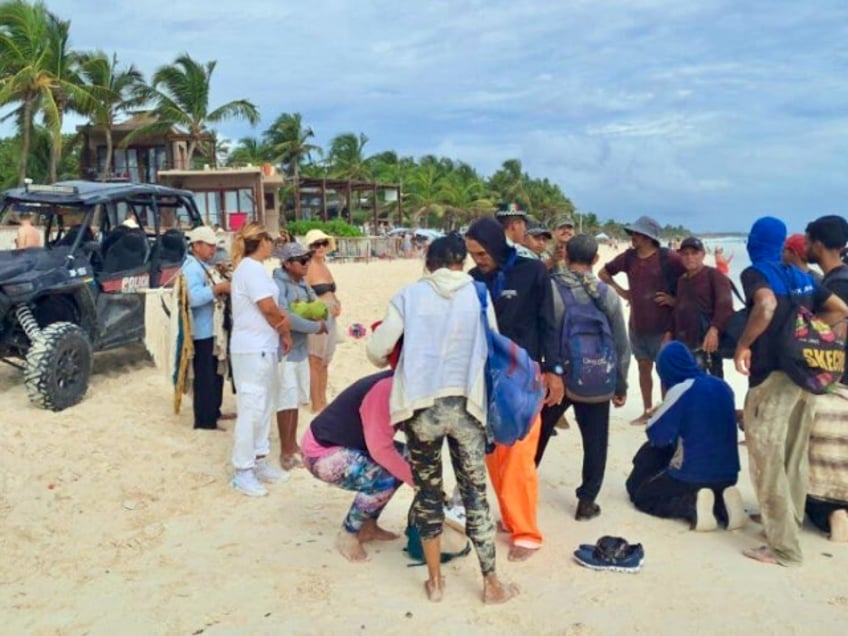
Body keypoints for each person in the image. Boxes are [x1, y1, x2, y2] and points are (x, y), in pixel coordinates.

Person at [367, 234, 518, 604]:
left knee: (428, 492)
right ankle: (491, 583)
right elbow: (494, 344)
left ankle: (435, 582)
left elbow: (377, 349)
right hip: (468, 407)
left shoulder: (408, 296)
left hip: (421, 408)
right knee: (475, 494)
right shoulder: (479, 295)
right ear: (460, 262)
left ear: (429, 261)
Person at [733, 216, 848, 565]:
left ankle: (783, 548)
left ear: (754, 241)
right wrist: (812, 334)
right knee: (794, 458)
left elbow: (765, 305)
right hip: (805, 379)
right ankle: (789, 524)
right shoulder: (802, 275)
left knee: (767, 461)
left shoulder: (758, 272)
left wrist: (743, 344)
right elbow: (840, 311)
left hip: (773, 380)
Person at [463, 216, 564, 561]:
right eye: (472, 253)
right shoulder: (473, 280)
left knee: (520, 453)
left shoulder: (532, 271)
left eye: (481, 252)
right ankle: (510, 516)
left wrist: (555, 371)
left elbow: (549, 321)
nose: (477, 259)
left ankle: (527, 534)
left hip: (526, 377)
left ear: (495, 244)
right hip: (487, 378)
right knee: (493, 454)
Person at [535, 234, 630, 521]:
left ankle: (522, 485)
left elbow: (544, 333)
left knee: (538, 434)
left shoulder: (552, 289)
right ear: (595, 260)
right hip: (596, 374)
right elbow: (620, 342)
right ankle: (586, 502)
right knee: (596, 440)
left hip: (558, 377)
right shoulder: (607, 294)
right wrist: (620, 382)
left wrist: (547, 370)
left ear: (565, 257)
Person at [626, 342, 745, 530]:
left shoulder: (681, 389)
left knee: (643, 495)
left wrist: (655, 413)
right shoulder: (722, 385)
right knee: (710, 483)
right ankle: (722, 507)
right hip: (729, 475)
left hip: (692, 475)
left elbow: (657, 436)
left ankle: (690, 506)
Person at [302, 371, 412, 561]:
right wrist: (417, 481)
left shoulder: (405, 382)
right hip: (322, 452)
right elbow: (380, 450)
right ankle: (348, 533)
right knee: (385, 475)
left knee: (408, 460)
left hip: (352, 445)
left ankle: (367, 525)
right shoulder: (386, 388)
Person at [599, 215, 685, 424]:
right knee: (643, 367)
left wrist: (675, 300)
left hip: (663, 327)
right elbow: (603, 273)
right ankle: (647, 411)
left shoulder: (669, 258)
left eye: (637, 234)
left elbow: (688, 280)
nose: (633, 237)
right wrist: (623, 292)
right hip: (637, 325)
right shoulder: (628, 257)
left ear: (648, 237)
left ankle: (666, 413)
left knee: (664, 371)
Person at [229, 223, 292, 497]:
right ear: (262, 242)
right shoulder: (250, 270)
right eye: (270, 239)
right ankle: (242, 470)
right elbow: (267, 307)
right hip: (252, 347)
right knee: (252, 406)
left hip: (264, 345)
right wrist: (285, 327)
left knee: (264, 405)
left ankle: (259, 459)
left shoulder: (256, 269)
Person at [804, 215, 848, 540]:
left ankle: (831, 513)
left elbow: (822, 334)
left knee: (820, 459)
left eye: (807, 241)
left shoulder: (836, 286)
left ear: (818, 244)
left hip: (835, 383)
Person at [272, 241, 328, 470]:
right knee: (285, 401)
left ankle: (292, 444)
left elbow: (317, 305)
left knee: (294, 399)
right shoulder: (278, 285)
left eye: (308, 259)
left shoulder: (302, 282)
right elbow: (285, 317)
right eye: (302, 260)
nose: (307, 264)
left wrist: (317, 315)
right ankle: (285, 451)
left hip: (300, 348)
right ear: (286, 264)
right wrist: (315, 326)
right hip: (284, 351)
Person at [183, 226, 231, 430]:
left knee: (215, 373)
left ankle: (214, 411)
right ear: (196, 246)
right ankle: (204, 420)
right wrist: (217, 289)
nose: (213, 250)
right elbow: (191, 298)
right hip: (201, 331)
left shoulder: (200, 265)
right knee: (205, 376)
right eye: (209, 246)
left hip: (210, 328)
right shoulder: (191, 268)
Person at [666, 236, 734, 378]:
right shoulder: (682, 280)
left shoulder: (714, 275)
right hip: (684, 345)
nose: (689, 257)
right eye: (685, 254)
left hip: (707, 346)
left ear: (703, 254)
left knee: (711, 388)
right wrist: (669, 335)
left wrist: (715, 330)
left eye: (694, 253)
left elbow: (725, 305)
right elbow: (678, 309)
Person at [304, 229, 341, 413]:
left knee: (325, 360)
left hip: (331, 315)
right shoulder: (308, 266)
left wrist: (337, 303)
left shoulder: (324, 265)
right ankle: (316, 402)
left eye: (323, 243)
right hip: (317, 315)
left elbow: (330, 291)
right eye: (315, 244)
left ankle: (322, 398)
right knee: (315, 360)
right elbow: (304, 293)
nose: (320, 247)